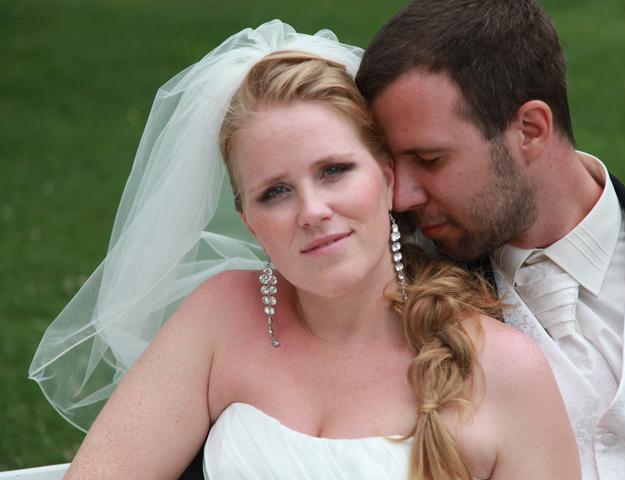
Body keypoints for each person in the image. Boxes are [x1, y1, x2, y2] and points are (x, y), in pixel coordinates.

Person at [30, 21, 579, 479]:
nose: (312, 211)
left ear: (387, 178)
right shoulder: (220, 317)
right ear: (249, 222)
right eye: (275, 192)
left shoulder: (503, 367)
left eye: (334, 171)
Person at [355, 0, 625, 479]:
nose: (401, 195)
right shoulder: (402, 296)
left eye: (429, 160)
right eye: (392, 166)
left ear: (530, 129)